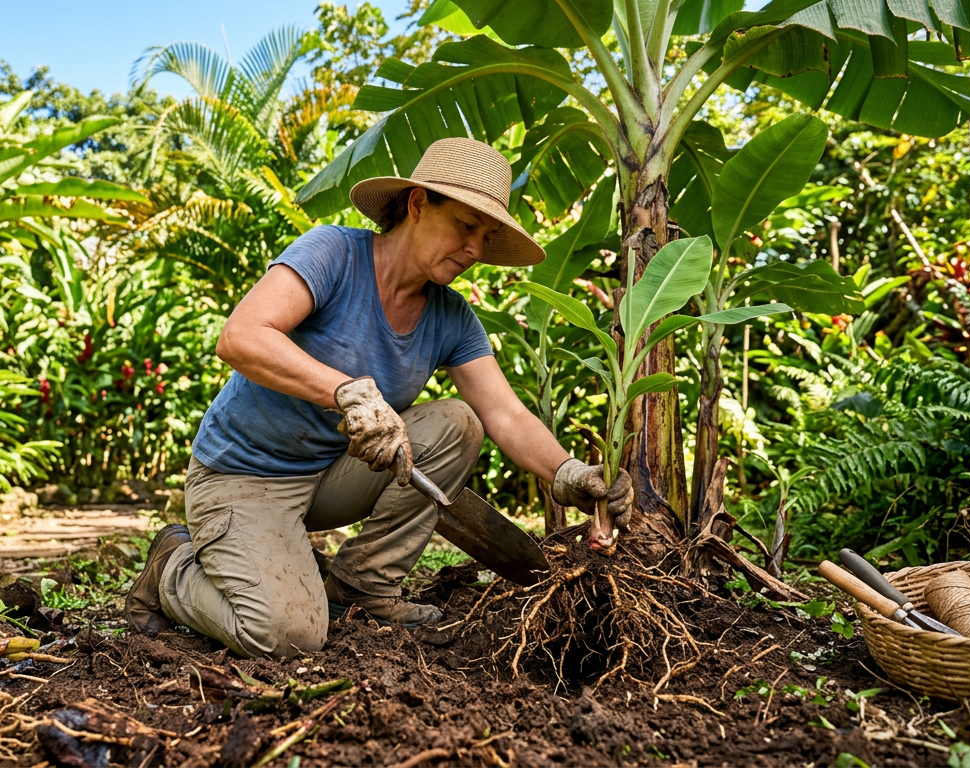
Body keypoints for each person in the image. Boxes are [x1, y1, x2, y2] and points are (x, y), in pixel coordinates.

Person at [124, 138, 630, 658]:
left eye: (486, 236)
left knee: (459, 423)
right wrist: (345, 391)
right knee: (286, 637)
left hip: (328, 478)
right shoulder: (333, 254)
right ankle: (173, 565)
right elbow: (242, 337)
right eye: (465, 226)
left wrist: (569, 474)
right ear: (416, 204)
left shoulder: (450, 315)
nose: (476, 250)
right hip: (244, 476)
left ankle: (362, 585)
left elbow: (504, 412)